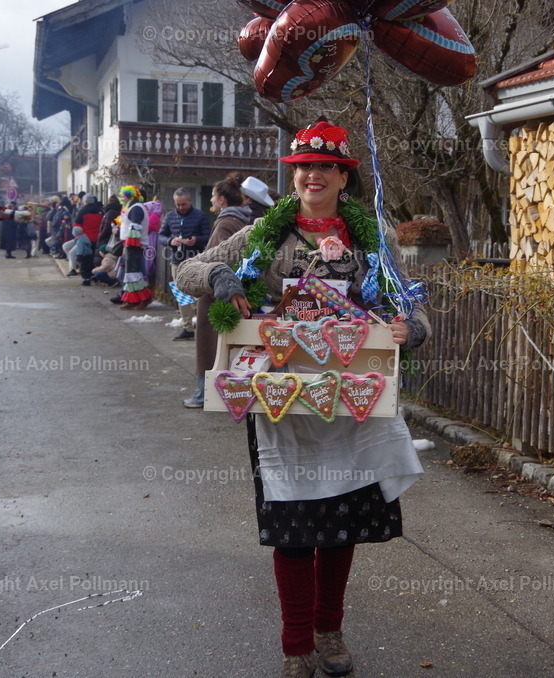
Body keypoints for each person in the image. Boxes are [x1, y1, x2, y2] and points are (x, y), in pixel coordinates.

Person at [176, 120, 430, 678]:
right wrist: (222, 275)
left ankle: (329, 631)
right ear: (294, 178)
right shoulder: (267, 230)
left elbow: (405, 299)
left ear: (343, 176)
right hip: (283, 397)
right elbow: (186, 269)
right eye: (302, 168)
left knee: (341, 523)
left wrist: (413, 326)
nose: (312, 176)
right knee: (293, 527)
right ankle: (296, 646)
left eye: (324, 167)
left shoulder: (369, 236)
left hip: (352, 396)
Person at [183, 174, 253, 408]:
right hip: (232, 292)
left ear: (222, 199)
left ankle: (205, 393)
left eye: (213, 196)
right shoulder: (241, 219)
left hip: (217, 295)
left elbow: (215, 260)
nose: (211, 201)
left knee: (209, 346)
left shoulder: (226, 222)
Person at [159, 188, 210, 340]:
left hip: (196, 260)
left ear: (190, 202)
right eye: (178, 204)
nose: (181, 207)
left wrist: (197, 240)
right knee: (181, 295)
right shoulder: (170, 216)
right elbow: (161, 236)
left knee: (199, 293)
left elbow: (209, 236)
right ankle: (187, 328)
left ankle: (202, 327)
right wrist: (170, 241)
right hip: (176, 260)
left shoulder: (200, 216)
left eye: (184, 204)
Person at [116, 186, 155, 310]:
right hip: (131, 245)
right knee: (130, 273)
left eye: (123, 196)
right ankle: (132, 300)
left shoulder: (136, 208)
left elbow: (135, 226)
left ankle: (144, 298)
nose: (121, 198)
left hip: (134, 246)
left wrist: (130, 244)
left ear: (129, 196)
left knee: (134, 272)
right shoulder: (135, 207)